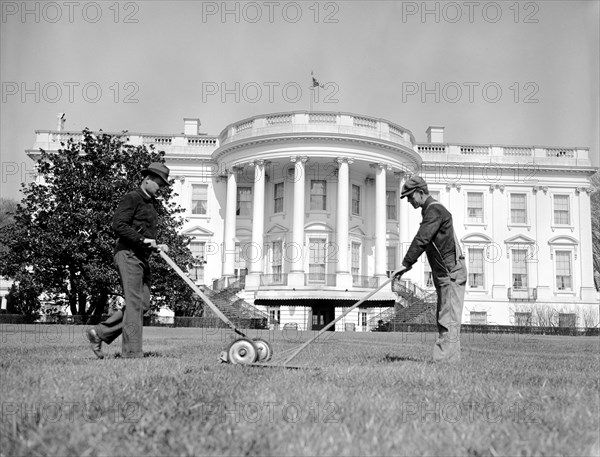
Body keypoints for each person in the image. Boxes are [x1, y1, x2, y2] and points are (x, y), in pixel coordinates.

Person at [86, 162, 171, 359]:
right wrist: (142, 240)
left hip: (141, 256)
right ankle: (132, 354)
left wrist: (157, 245)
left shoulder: (151, 204)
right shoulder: (132, 198)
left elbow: (144, 232)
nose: (161, 188)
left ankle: (99, 333)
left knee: (143, 304)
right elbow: (118, 225)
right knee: (134, 303)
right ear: (147, 179)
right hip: (128, 254)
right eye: (159, 183)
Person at [393, 176, 467, 362]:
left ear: (420, 192)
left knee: (447, 316)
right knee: (447, 315)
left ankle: (444, 362)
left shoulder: (435, 211)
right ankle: (450, 361)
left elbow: (422, 239)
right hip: (447, 272)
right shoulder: (431, 212)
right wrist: (406, 267)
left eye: (410, 196)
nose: (409, 201)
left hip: (450, 272)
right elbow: (425, 241)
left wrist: (405, 263)